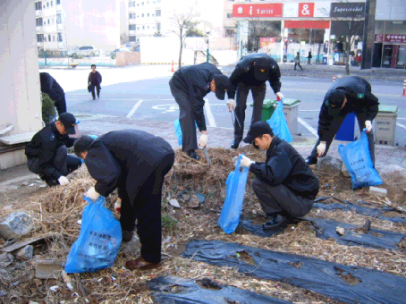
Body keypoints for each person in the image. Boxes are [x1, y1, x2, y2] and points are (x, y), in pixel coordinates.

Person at [74, 130, 174, 270]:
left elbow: (110, 175)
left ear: (84, 154)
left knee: (146, 208)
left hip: (147, 161)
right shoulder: (108, 143)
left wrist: (97, 190)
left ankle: (150, 258)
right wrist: (120, 198)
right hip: (164, 153)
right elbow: (122, 174)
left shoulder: (94, 150)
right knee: (132, 193)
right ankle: (126, 230)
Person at [239, 121, 319, 229]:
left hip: (301, 203)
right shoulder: (277, 147)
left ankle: (280, 216)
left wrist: (251, 165)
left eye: (256, 141)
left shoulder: (280, 151)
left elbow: (272, 177)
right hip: (299, 197)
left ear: (265, 137)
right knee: (261, 177)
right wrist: (253, 164)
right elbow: (271, 169)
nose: (255, 144)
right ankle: (282, 214)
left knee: (259, 182)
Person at [305, 76, 379, 166]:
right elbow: (323, 121)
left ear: (345, 100)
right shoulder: (329, 98)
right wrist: (323, 142)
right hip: (343, 96)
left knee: (367, 131)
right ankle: (314, 157)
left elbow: (374, 103)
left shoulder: (360, 92)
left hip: (360, 103)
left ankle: (370, 164)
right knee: (330, 128)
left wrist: (369, 119)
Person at [169, 62, 230, 160]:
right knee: (188, 112)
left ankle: (188, 140)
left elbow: (227, 85)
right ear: (213, 82)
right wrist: (204, 131)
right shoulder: (199, 82)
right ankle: (189, 149)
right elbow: (197, 106)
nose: (215, 92)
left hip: (191, 81)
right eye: (216, 90)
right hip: (179, 84)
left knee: (194, 109)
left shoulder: (218, 75)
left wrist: (231, 98)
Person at [227, 53, 283, 149]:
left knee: (258, 109)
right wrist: (231, 98)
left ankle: (254, 138)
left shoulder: (273, 66)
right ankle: (237, 138)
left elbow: (275, 79)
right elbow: (232, 82)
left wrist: (277, 91)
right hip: (243, 83)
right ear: (253, 65)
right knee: (240, 107)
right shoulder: (243, 66)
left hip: (260, 85)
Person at [25, 112, 82, 187]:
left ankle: (57, 176)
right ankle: (51, 179)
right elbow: (44, 164)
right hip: (36, 161)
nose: (66, 132)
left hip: (52, 156)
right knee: (62, 150)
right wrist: (59, 176)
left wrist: (73, 135)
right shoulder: (47, 138)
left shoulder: (60, 130)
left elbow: (69, 143)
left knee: (77, 162)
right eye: (66, 130)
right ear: (58, 123)